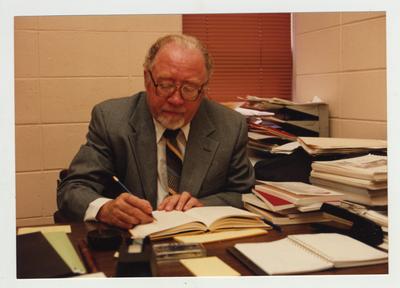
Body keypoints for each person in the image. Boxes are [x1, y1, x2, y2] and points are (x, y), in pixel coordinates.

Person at [57, 34, 255, 229]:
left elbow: (244, 193)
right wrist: (105, 208)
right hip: (132, 242)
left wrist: (205, 205)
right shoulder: (111, 119)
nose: (176, 99)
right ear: (147, 79)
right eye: (166, 85)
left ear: (203, 89)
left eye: (189, 88)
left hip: (202, 241)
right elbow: (73, 188)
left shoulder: (230, 125)